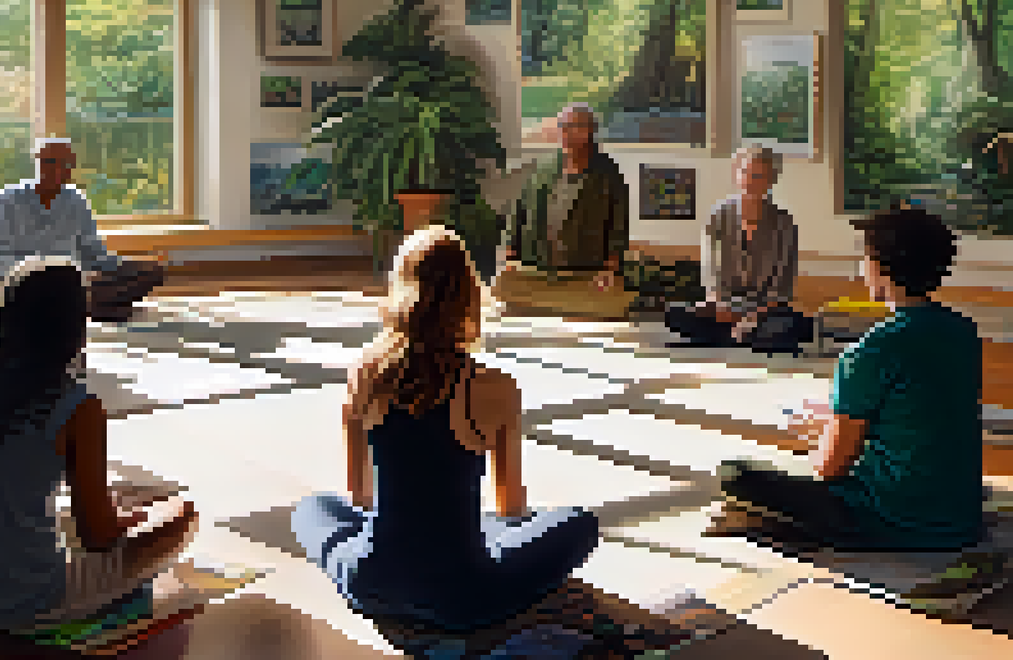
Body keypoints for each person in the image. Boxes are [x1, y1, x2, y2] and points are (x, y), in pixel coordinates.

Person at [292, 225, 600, 635]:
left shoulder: (365, 372)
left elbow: (361, 497)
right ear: (469, 297)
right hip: (463, 598)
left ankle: (437, 545)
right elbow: (510, 508)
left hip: (371, 583)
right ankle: (466, 538)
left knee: (312, 509)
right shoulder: (494, 386)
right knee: (578, 523)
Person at [0, 256, 199, 640]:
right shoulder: (76, 406)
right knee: (179, 514)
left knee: (87, 503)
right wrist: (130, 520)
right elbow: (98, 536)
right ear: (74, 327)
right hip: (26, 603)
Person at [708, 205, 984, 551]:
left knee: (735, 474)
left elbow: (829, 467)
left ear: (881, 267)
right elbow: (921, 411)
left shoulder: (871, 350)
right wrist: (840, 420)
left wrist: (825, 432)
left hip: (890, 521)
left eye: (865, 257)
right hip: (961, 519)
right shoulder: (963, 332)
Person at [0, 138, 165, 323]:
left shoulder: (76, 200)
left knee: (150, 271)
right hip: (25, 283)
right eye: (50, 162)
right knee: (37, 288)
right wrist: (42, 271)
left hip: (72, 282)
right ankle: (86, 307)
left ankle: (74, 307)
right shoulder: (7, 199)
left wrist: (121, 265)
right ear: (36, 162)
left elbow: (93, 252)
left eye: (65, 164)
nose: (57, 169)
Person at [666, 145, 814, 354]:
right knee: (676, 314)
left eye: (758, 176)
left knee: (797, 324)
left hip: (765, 310)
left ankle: (728, 337)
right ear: (736, 175)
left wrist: (753, 316)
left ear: (771, 181)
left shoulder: (784, 223)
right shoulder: (717, 218)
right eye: (744, 173)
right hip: (724, 308)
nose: (749, 181)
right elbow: (711, 278)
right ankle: (742, 336)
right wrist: (727, 311)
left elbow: (781, 288)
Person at [498, 104, 634, 319]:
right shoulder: (543, 168)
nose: (566, 133)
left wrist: (610, 267)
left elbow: (618, 223)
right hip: (537, 265)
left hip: (583, 270)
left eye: (574, 127)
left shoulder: (608, 174)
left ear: (591, 130)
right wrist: (509, 254)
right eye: (563, 126)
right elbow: (519, 210)